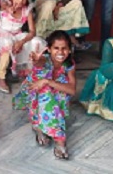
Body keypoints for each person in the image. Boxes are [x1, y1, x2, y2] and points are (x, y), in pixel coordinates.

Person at [13, 30, 76, 160]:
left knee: (58, 88)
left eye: (64, 48)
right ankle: (54, 135)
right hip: (34, 94)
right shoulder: (44, 60)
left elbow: (72, 90)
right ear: (49, 49)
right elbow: (40, 62)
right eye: (56, 48)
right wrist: (37, 61)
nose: (60, 52)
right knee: (46, 92)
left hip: (49, 91)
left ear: (70, 50)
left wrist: (47, 81)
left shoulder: (69, 65)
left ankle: (46, 128)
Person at [0, 0, 46, 93]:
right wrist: (8, 8)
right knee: (7, 43)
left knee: (36, 41)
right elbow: (3, 5)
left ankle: (30, 73)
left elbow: (32, 31)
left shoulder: (27, 10)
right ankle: (1, 76)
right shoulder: (5, 3)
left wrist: (22, 42)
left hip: (17, 35)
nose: (20, 0)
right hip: (1, 34)